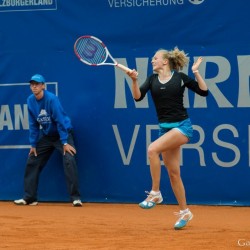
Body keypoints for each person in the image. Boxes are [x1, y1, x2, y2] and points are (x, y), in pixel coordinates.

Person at [127, 47, 208, 229]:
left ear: (165, 61)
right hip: (165, 129)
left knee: (152, 149)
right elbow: (138, 97)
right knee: (173, 174)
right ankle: (185, 212)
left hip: (182, 127)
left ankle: (155, 192)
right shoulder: (152, 79)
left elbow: (203, 92)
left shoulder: (179, 78)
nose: (152, 61)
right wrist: (133, 80)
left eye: (155, 58)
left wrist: (195, 72)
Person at [14, 74, 82, 207]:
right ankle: (30, 198)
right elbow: (33, 124)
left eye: (37, 84)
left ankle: (75, 198)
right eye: (32, 84)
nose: (34, 86)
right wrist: (33, 144)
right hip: (47, 136)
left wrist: (64, 142)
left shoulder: (52, 99)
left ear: (43, 86)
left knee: (69, 159)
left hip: (63, 134)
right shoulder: (30, 101)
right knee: (32, 160)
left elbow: (60, 121)